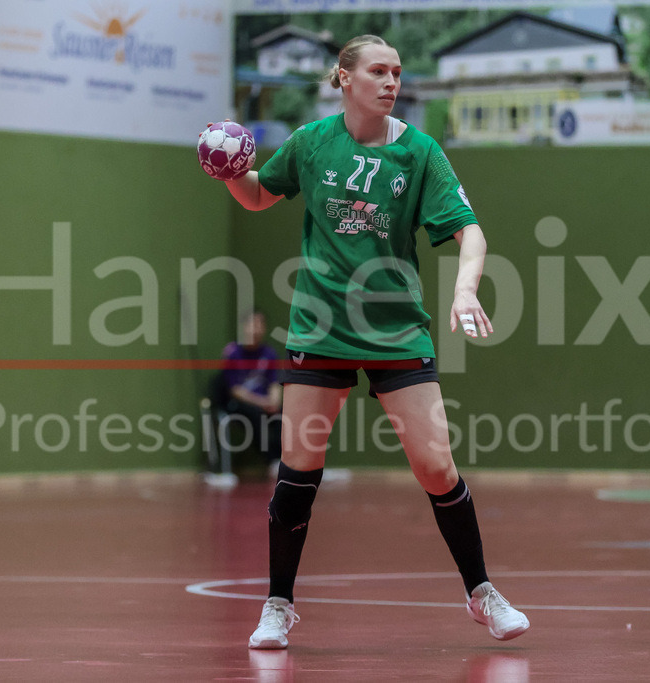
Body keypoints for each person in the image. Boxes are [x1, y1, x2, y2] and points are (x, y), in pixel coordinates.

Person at [206, 34, 529, 649]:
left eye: (397, 72)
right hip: (320, 324)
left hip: (395, 328)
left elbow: (472, 234)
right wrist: (228, 174)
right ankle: (277, 605)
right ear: (344, 78)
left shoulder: (420, 151)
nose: (390, 82)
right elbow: (254, 195)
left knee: (436, 466)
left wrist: (465, 292)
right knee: (299, 465)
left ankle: (483, 594)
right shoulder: (309, 144)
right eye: (377, 71)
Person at [216, 309, 283, 469]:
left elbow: (275, 383)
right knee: (256, 414)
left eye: (260, 324)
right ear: (244, 327)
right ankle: (273, 461)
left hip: (265, 402)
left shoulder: (269, 353)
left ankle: (290, 462)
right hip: (239, 404)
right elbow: (235, 390)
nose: (256, 329)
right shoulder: (232, 353)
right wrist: (261, 403)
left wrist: (274, 402)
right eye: (253, 324)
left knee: (285, 414)